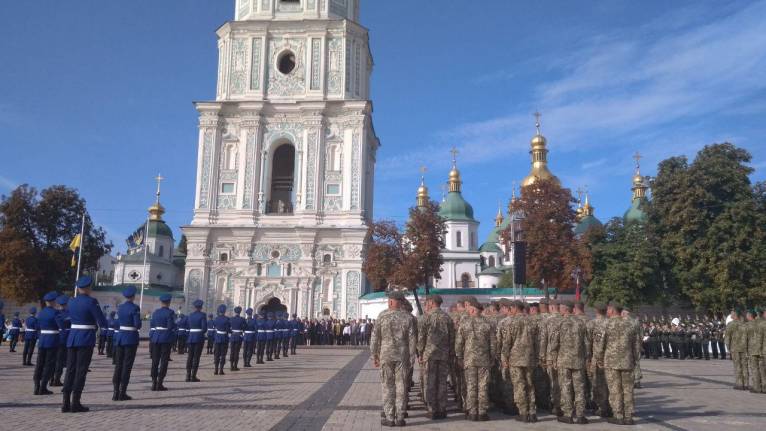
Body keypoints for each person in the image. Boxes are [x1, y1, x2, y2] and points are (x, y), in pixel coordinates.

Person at [62, 275, 108, 413]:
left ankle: (65, 403)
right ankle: (75, 402)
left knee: (70, 370)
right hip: (85, 338)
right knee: (81, 371)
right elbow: (101, 321)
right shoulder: (91, 302)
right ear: (88, 287)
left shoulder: (72, 302)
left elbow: (66, 318)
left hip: (73, 337)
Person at [371, 291, 416, 427]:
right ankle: (400, 417)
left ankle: (390, 417)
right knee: (401, 386)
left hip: (386, 356)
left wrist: (374, 355)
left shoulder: (382, 316)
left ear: (391, 301)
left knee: (387, 386)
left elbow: (374, 337)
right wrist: (411, 357)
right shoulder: (407, 317)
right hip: (402, 356)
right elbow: (412, 339)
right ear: (401, 302)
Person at [596, 303, 640, 426]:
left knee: (615, 389)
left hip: (611, 362)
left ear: (612, 310)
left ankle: (618, 415)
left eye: (609, 309)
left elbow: (600, 344)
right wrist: (635, 359)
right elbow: (636, 345)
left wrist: (599, 359)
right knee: (628, 390)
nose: (607, 311)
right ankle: (629, 416)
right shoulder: (630, 324)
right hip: (627, 361)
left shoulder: (606, 324)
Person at [549, 300, 589, 424]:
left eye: (561, 308)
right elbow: (587, 343)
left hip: (564, 360)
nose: (559, 310)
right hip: (578, 360)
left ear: (566, 309)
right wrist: (585, 357)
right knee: (579, 387)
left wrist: (553, 358)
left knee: (565, 387)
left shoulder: (560, 323)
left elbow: (554, 343)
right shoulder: (581, 323)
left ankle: (568, 414)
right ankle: (581, 414)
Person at [417, 294, 454, 420]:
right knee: (442, 382)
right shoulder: (447, 318)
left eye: (428, 302)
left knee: (430, 382)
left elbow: (421, 338)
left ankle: (432, 410)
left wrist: (420, 353)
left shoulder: (426, 317)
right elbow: (452, 338)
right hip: (444, 354)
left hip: (430, 354)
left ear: (432, 302)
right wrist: (451, 352)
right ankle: (442, 409)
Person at [112, 286, 140, 401]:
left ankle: (115, 392)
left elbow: (116, 322)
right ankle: (122, 392)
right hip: (130, 339)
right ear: (133, 296)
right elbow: (137, 324)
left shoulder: (120, 308)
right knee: (127, 366)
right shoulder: (135, 308)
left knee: (118, 365)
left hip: (120, 337)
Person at [33, 292, 64, 395]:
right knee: (49, 365)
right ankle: (43, 387)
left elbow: (37, 327)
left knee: (39, 364)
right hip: (52, 340)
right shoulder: (56, 313)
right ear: (53, 301)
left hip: (42, 340)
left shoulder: (41, 313)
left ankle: (36, 386)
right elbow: (61, 327)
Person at [149, 294, 176, 391]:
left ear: (161, 302)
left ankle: (153, 382)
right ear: (169, 302)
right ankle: (160, 383)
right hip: (166, 338)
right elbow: (170, 326)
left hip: (156, 338)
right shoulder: (170, 312)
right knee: (164, 361)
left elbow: (152, 324)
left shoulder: (156, 312)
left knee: (155, 361)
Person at [725, 309, 748, 390]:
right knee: (744, 365)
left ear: (735, 315)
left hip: (735, 348)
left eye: (731, 313)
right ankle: (746, 383)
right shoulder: (744, 324)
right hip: (744, 347)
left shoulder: (731, 324)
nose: (730, 314)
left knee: (737, 365)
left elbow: (727, 338)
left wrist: (728, 348)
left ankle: (739, 384)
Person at [50, 295, 70, 387]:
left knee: (54, 360)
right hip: (65, 339)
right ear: (66, 304)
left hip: (55, 338)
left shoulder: (56, 313)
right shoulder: (69, 314)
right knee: (61, 361)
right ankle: (56, 379)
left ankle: (51, 379)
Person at [186, 299, 207, 382]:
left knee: (190, 357)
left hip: (191, 337)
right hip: (198, 338)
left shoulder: (190, 315)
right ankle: (193, 376)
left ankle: (187, 375)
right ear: (201, 307)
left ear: (194, 307)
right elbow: (204, 328)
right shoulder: (202, 315)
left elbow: (188, 326)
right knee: (196, 357)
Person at [213, 304, 231, 375]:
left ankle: (215, 369)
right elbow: (228, 330)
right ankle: (221, 370)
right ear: (225, 311)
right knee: (223, 354)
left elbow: (215, 326)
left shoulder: (216, 319)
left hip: (217, 338)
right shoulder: (227, 319)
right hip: (224, 338)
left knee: (216, 354)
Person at [229, 306, 245, 371]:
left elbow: (228, 327)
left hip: (232, 336)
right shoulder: (242, 319)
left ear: (235, 311)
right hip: (238, 337)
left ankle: (231, 366)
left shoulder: (231, 319)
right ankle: (235, 366)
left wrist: (232, 332)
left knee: (232, 351)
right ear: (240, 312)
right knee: (236, 352)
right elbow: (245, 327)